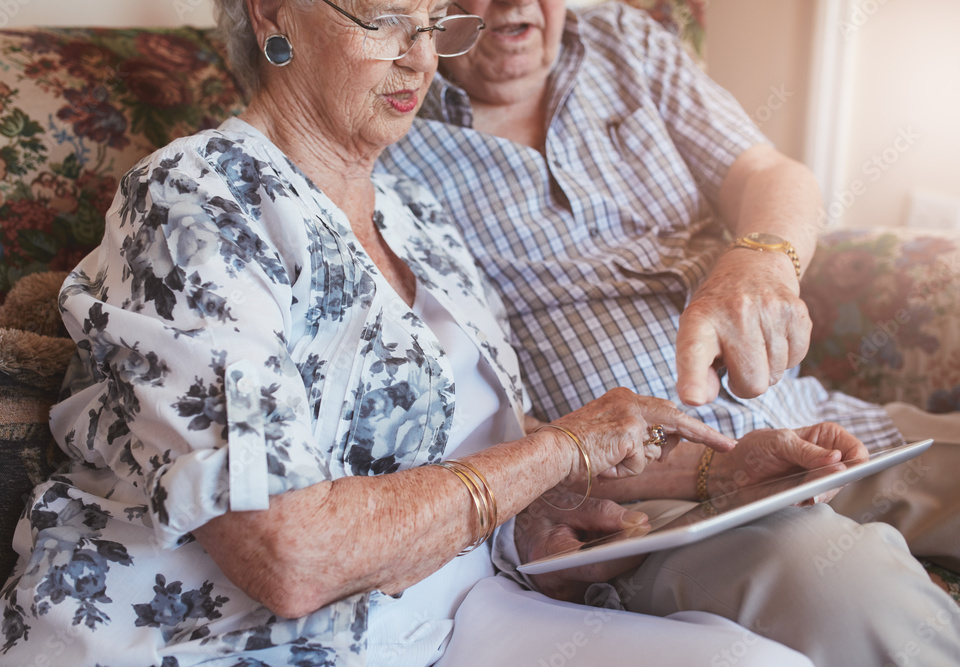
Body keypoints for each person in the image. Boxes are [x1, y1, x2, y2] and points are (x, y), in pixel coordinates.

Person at [0, 2, 953, 667]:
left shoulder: (419, 223)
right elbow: (289, 556)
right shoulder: (198, 200)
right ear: (272, 15)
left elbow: (492, 474)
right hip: (225, 639)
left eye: (427, 16)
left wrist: (717, 471)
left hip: (433, 617)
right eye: (380, 13)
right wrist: (555, 449)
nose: (414, 51)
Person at [377, 0, 960, 663]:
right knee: (845, 593)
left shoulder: (623, 40)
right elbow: (453, 420)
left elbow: (769, 174)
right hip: (659, 503)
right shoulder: (388, 127)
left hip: (813, 425)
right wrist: (697, 472)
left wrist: (762, 259)